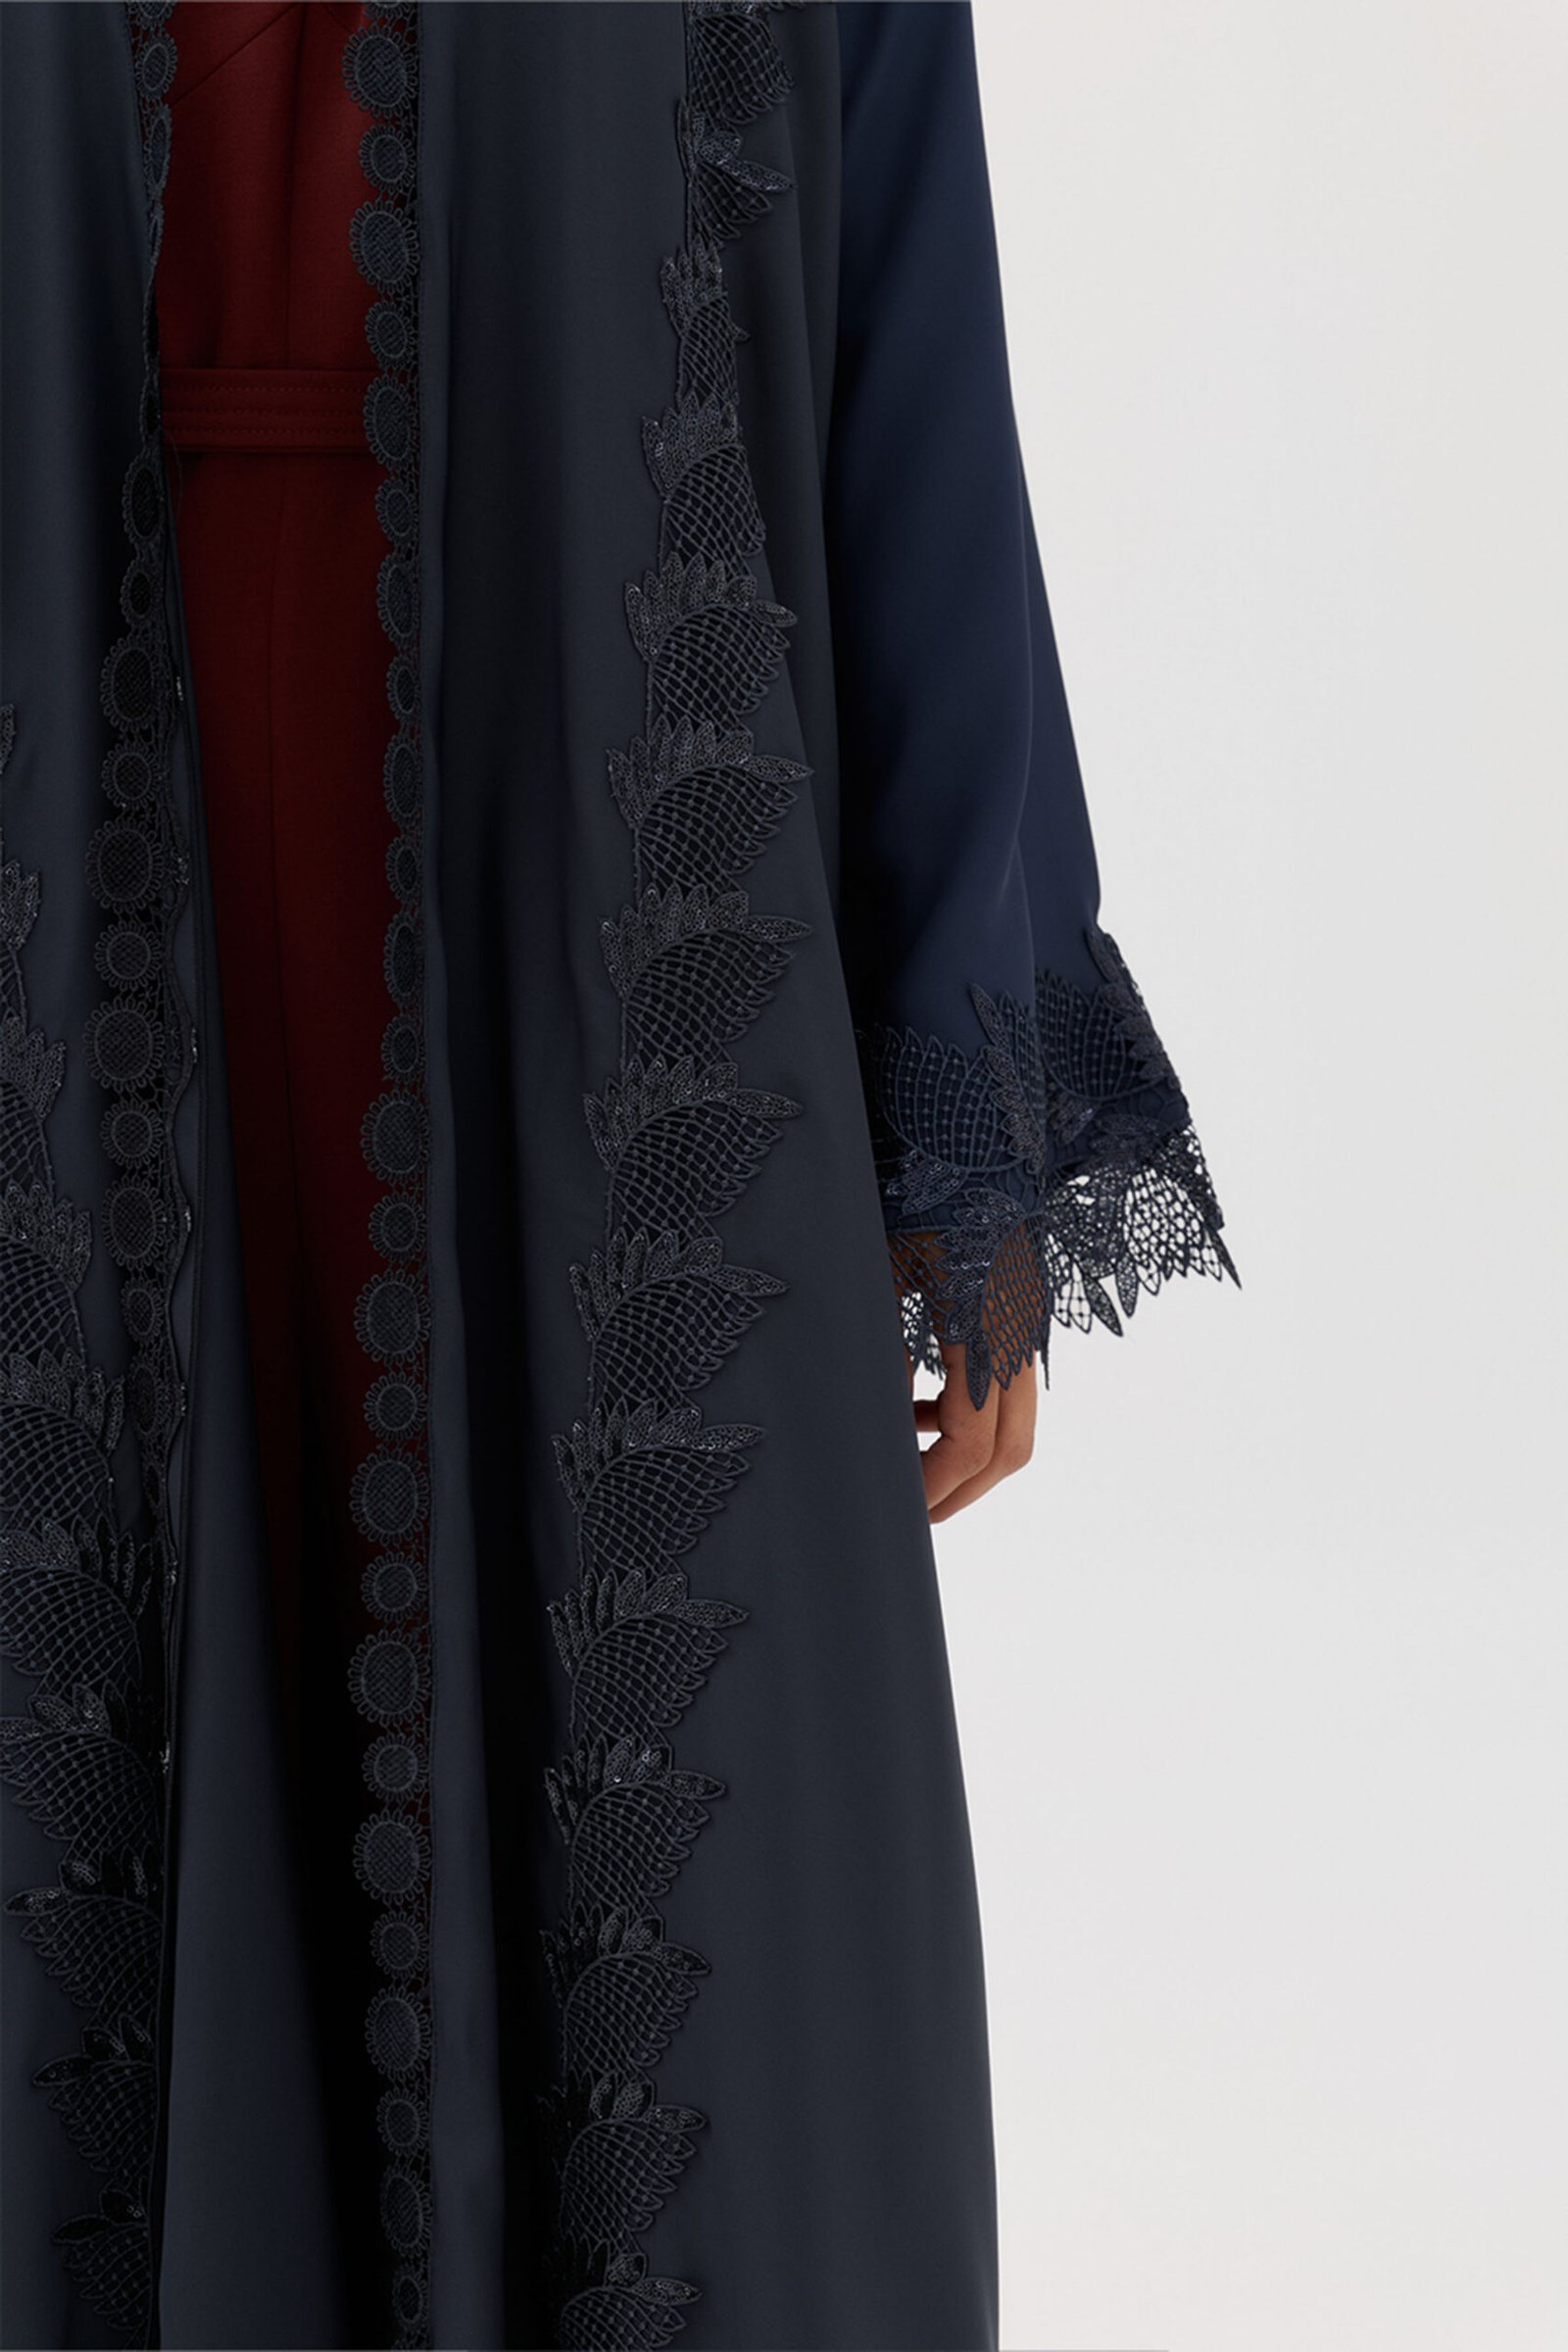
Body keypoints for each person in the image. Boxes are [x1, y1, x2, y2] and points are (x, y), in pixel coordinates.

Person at [0, 6, 1235, 2347]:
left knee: (690, 1891)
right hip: (110, 879)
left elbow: (905, 358)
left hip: (596, 863)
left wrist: (963, 1124)